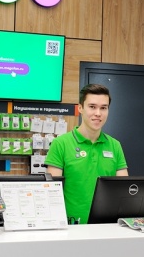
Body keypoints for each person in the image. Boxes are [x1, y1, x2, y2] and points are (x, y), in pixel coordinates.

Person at [45, 84, 128, 224]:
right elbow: (52, 193)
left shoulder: (115, 145)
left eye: (103, 108)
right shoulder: (61, 143)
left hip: (108, 226)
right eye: (92, 107)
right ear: (80, 108)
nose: (98, 113)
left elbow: (124, 190)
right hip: (72, 227)